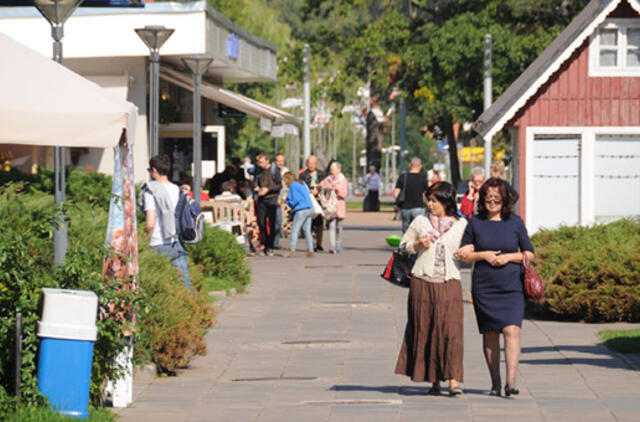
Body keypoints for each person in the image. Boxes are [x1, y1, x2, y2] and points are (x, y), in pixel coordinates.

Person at [456, 177, 535, 397]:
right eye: (488, 197)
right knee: (490, 334)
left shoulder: (515, 223)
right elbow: (465, 253)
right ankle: (495, 382)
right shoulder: (475, 222)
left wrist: (509, 257)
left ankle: (511, 382)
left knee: (511, 330)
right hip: (485, 287)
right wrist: (484, 255)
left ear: (505, 200)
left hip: (512, 287)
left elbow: (529, 253)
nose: (492, 202)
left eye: (497, 198)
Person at [394, 181, 467, 396]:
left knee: (451, 331)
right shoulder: (420, 221)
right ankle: (434, 380)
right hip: (422, 282)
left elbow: (470, 247)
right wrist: (418, 244)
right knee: (426, 329)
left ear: (446, 201)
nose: (430, 204)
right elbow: (403, 246)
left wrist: (467, 252)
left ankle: (453, 380)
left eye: (435, 200)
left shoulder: (461, 225)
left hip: (449, 282)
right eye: (429, 200)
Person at [141, 154, 192, 292]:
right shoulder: (177, 189)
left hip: (157, 242)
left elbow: (150, 223)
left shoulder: (150, 191)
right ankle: (193, 308)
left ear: (154, 170)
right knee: (184, 282)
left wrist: (144, 240)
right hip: (175, 241)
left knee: (154, 284)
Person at [254, 152, 281, 256]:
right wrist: (257, 188)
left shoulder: (275, 170)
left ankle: (270, 246)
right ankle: (264, 244)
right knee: (261, 223)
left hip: (272, 199)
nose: (259, 164)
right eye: (258, 162)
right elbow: (255, 183)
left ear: (267, 161)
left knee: (272, 223)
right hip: (261, 199)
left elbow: (279, 186)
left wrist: (268, 190)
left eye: (261, 162)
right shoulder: (258, 171)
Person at [282, 172, 314, 258]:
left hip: (301, 210)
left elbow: (294, 201)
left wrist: (286, 201)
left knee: (294, 230)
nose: (284, 182)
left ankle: (292, 250)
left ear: (288, 179)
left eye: (285, 179)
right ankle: (310, 250)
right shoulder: (301, 183)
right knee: (307, 230)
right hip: (310, 208)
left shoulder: (293, 186)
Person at [319, 161, 348, 254]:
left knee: (339, 227)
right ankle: (332, 245)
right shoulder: (328, 179)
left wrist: (337, 189)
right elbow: (320, 185)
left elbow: (344, 194)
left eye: (334, 170)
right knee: (331, 226)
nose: (332, 172)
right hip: (330, 206)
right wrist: (323, 187)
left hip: (339, 205)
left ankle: (338, 244)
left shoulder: (343, 180)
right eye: (331, 170)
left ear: (339, 170)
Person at [394, 157, 428, 233]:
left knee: (406, 229)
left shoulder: (403, 177)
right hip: (418, 207)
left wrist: (397, 203)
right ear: (420, 166)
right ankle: (416, 244)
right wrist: (427, 204)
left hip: (405, 207)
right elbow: (426, 194)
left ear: (410, 165)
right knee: (418, 229)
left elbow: (396, 192)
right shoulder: (423, 178)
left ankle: (406, 243)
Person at [300, 155, 327, 252]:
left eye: (313, 163)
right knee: (309, 223)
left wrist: (319, 194)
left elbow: (326, 186)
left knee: (320, 222)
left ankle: (319, 243)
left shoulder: (322, 174)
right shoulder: (303, 175)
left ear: (316, 164)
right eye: (309, 163)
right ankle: (310, 244)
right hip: (308, 201)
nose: (311, 165)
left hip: (319, 201)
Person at [272, 153, 288, 249]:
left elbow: (286, 186)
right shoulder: (272, 171)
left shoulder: (285, 171)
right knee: (272, 221)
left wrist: (284, 197)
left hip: (280, 199)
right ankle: (270, 243)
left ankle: (275, 242)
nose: (280, 163)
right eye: (278, 161)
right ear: (275, 161)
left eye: (282, 161)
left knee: (278, 221)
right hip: (272, 198)